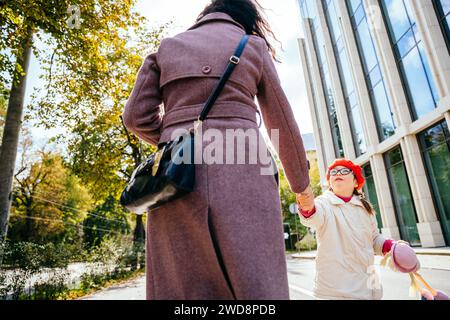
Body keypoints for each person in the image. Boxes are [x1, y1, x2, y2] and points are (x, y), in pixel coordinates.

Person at [122, 0, 314, 299]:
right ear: (246, 18)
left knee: (183, 288)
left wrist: (179, 142)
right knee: (255, 287)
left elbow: (134, 116)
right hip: (245, 168)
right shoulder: (252, 45)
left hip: (176, 180)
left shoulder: (167, 48)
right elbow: (281, 125)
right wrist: (302, 187)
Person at [296, 158, 420, 300]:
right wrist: (307, 207)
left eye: (343, 171)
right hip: (334, 289)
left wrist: (390, 246)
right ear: (330, 181)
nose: (337, 173)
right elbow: (313, 216)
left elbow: (373, 238)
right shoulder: (323, 203)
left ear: (355, 182)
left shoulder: (365, 208)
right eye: (333, 172)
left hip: (367, 286)